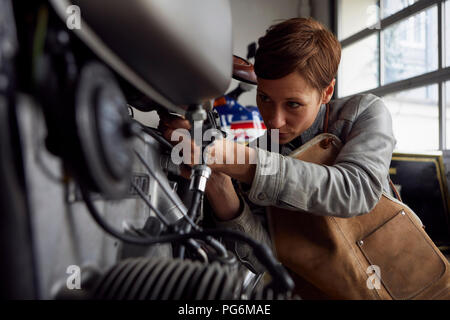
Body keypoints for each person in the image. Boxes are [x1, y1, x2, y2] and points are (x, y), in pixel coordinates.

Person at [159, 17, 396, 293]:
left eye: (293, 104)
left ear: (326, 91)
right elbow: (265, 263)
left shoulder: (364, 113)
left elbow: (356, 190)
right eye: (265, 98)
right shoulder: (265, 147)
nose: (274, 121)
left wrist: (233, 158)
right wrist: (220, 185)